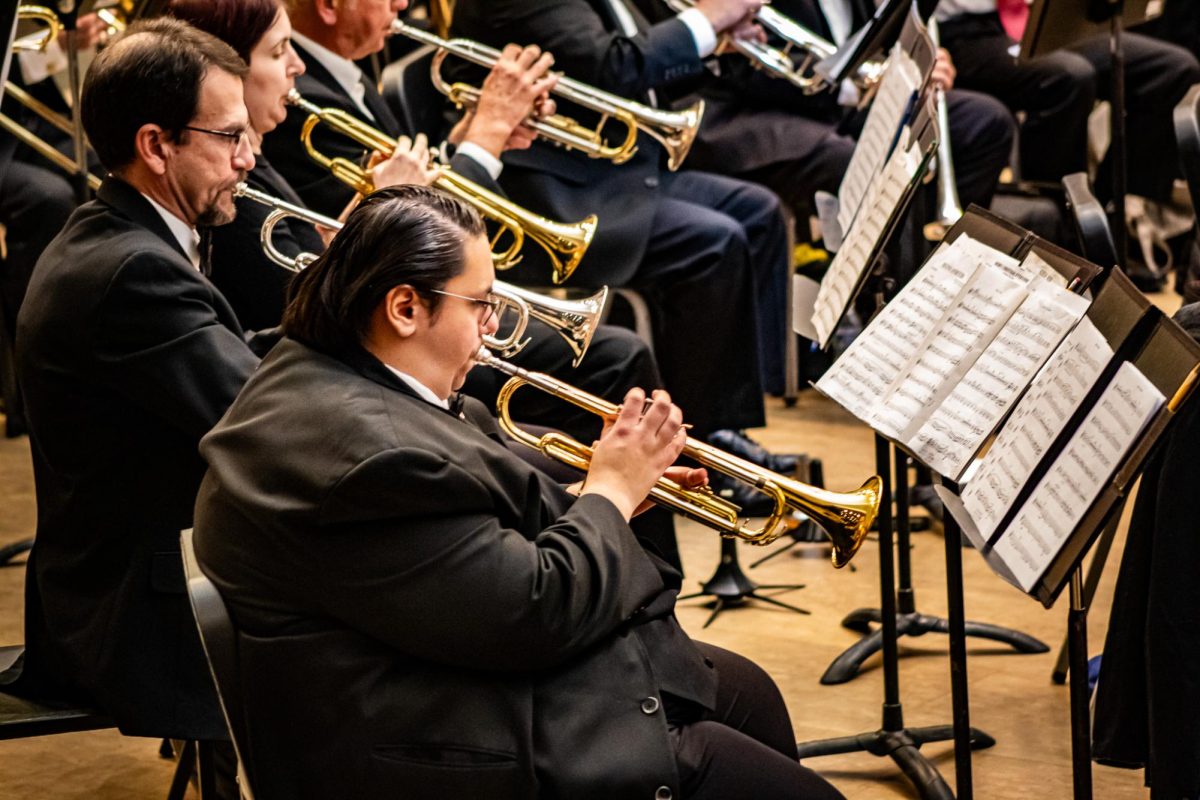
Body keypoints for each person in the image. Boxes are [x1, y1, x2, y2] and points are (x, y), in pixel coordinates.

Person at [193, 183, 846, 800]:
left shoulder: (315, 364)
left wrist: (588, 492)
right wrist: (609, 497)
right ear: (404, 307)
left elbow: (448, 538)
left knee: (745, 690)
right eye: (481, 305)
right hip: (426, 733)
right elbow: (535, 613)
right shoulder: (375, 454)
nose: (494, 327)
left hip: (432, 656)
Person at [5, 18, 267, 792]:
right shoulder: (132, 274)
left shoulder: (127, 236)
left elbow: (237, 366)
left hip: (136, 577)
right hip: (146, 614)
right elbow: (261, 417)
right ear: (156, 146)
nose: (248, 161)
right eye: (228, 138)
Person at [450, 0, 795, 413]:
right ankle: (698, 432)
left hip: (615, 170)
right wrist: (707, 19)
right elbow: (614, 65)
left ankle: (739, 410)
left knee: (758, 212)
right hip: (548, 190)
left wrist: (715, 45)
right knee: (712, 244)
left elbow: (640, 68)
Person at [934, 0, 1200, 207]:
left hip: (1035, 17)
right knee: (1070, 77)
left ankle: (1110, 213)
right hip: (961, 31)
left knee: (1174, 71)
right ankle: (1059, 218)